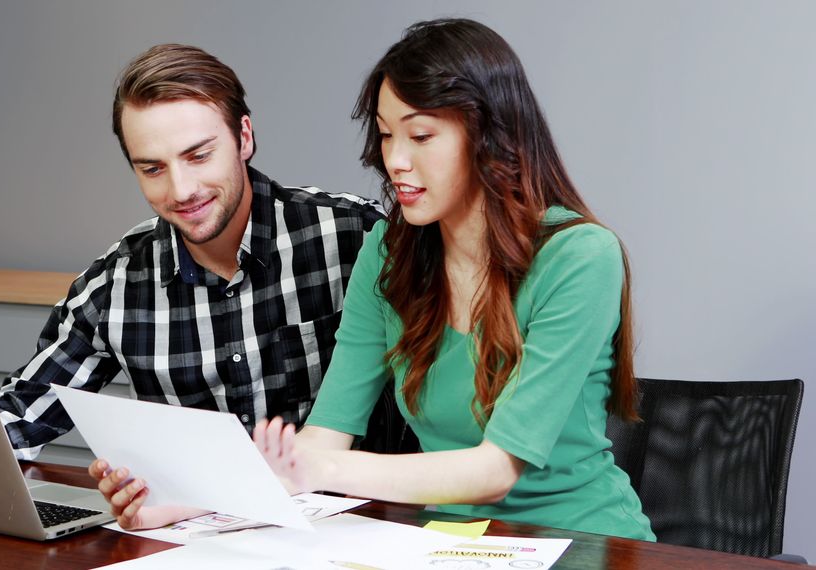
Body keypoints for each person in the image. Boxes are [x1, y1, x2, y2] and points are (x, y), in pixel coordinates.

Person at [0, 43, 384, 528]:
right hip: (191, 536)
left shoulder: (351, 237)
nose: (181, 189)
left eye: (198, 155)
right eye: (152, 167)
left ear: (244, 137)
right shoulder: (117, 282)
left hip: (362, 529)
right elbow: (21, 413)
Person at [249, 18, 656, 540]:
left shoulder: (579, 256)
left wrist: (320, 473)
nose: (395, 160)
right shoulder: (388, 252)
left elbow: (494, 470)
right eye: (386, 134)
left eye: (420, 135)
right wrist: (182, 503)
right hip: (454, 543)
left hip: (584, 542)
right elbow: (326, 435)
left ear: (490, 134)